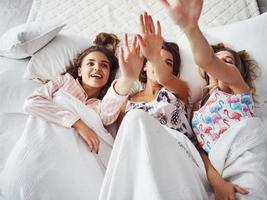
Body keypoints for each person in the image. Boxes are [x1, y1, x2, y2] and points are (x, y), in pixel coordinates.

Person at [0, 33, 128, 200]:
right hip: (41, 149)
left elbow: (106, 119)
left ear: (109, 76)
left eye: (104, 66)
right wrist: (78, 123)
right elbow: (32, 103)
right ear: (80, 71)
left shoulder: (99, 105)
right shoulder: (64, 82)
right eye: (91, 63)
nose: (97, 68)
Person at [161, 0, 258, 199]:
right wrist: (218, 183)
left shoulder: (236, 87)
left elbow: (207, 59)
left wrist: (190, 29)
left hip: (247, 157)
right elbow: (201, 153)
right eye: (218, 59)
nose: (221, 63)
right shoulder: (196, 107)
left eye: (228, 61)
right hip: (218, 173)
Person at [106, 12, 197, 145]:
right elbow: (124, 142)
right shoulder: (128, 103)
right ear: (144, 66)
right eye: (157, 59)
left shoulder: (178, 91)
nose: (161, 64)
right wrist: (128, 77)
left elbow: (164, 78)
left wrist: (155, 58)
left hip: (179, 150)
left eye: (168, 63)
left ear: (174, 72)